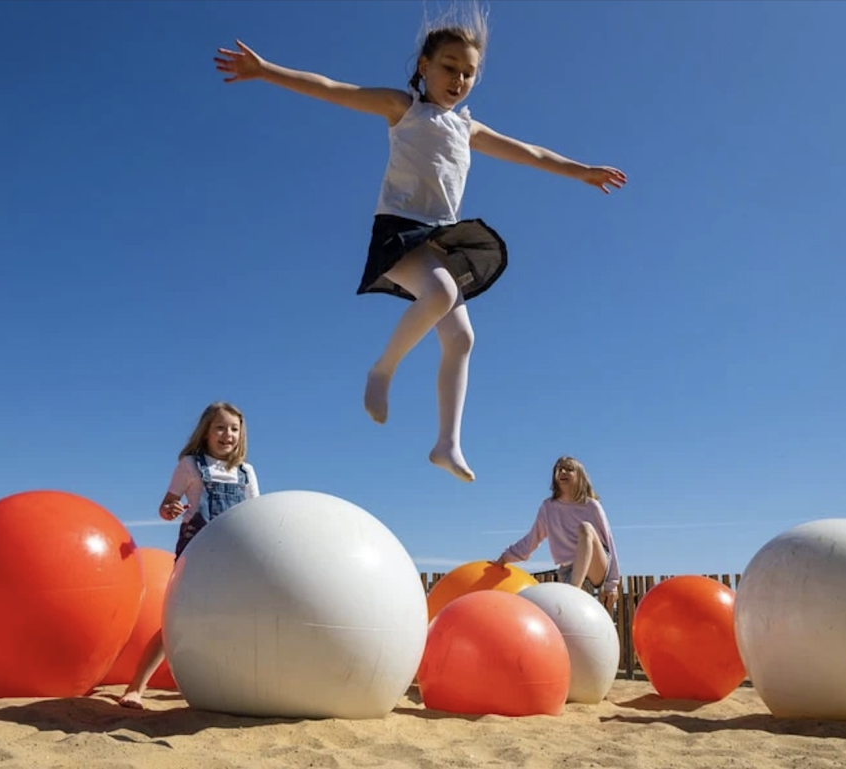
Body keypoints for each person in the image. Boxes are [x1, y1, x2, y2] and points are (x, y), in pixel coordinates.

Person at [213, 5, 627, 483]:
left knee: (462, 338)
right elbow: (333, 89)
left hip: (440, 239)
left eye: (468, 73)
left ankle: (446, 443)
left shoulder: (467, 129)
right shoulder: (403, 108)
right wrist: (266, 70)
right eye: (450, 68)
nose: (459, 80)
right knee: (443, 293)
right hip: (399, 231)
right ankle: (382, 370)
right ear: (425, 66)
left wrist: (581, 171)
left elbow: (529, 152)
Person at [118, 401, 260, 709]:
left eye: (234, 429)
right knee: (176, 620)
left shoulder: (246, 472)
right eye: (220, 428)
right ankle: (136, 688)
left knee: (234, 619)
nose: (227, 435)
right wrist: (169, 510)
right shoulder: (190, 465)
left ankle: (229, 684)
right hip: (196, 551)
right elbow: (166, 505)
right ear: (206, 432)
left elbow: (255, 514)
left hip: (234, 556)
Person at [493, 456, 621, 611]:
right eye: (559, 469)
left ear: (580, 476)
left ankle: (573, 592)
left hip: (596, 566)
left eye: (569, 469)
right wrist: (504, 558)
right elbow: (531, 540)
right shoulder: (548, 507)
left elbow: (609, 543)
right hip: (568, 571)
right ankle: (574, 590)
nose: (563, 472)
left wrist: (612, 585)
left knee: (586, 528)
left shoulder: (591, 506)